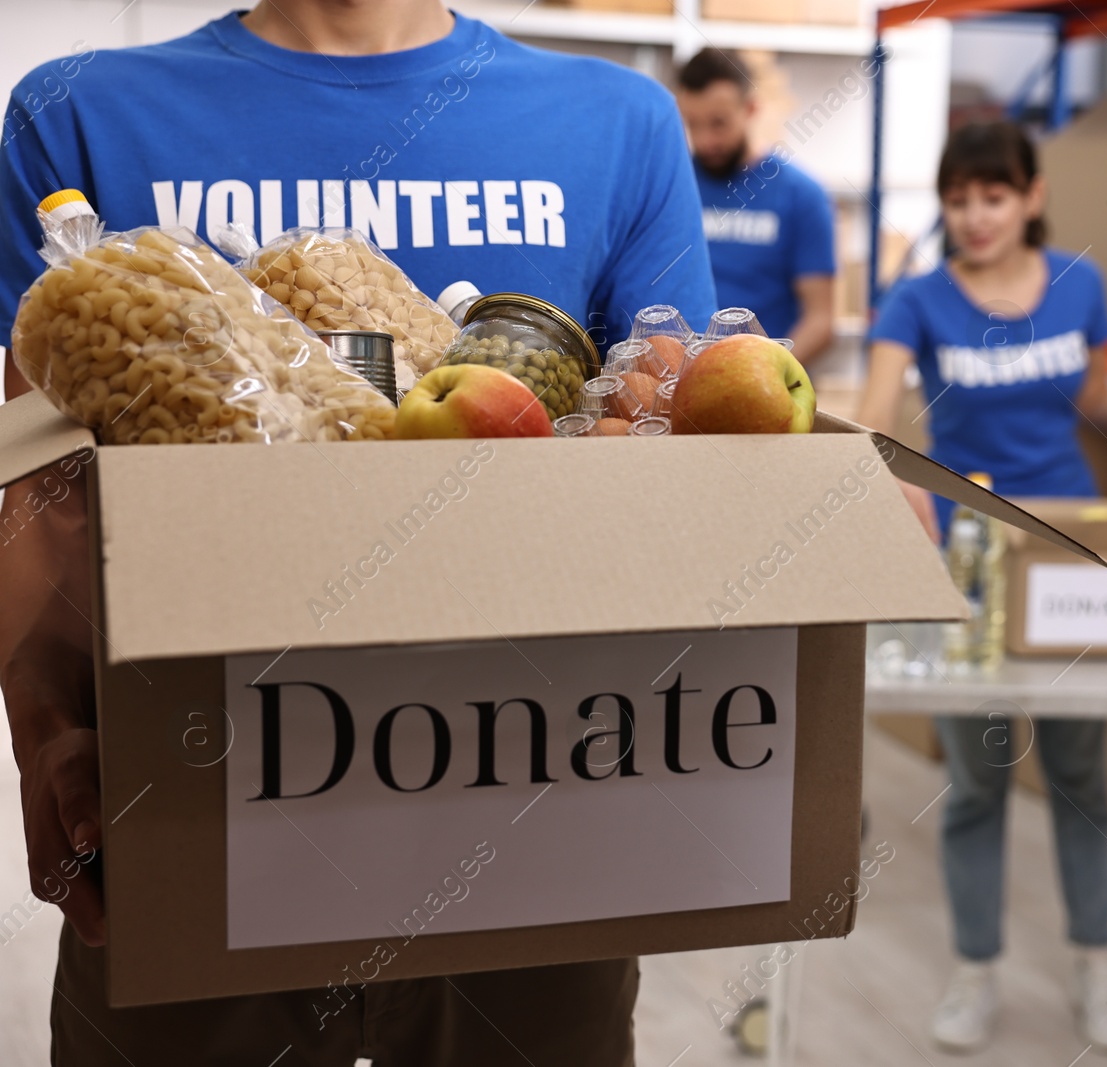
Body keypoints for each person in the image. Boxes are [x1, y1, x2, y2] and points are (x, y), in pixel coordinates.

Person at [0, 2, 714, 1063]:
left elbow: (671, 434)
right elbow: (31, 459)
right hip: (195, 792)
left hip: (527, 801)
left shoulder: (613, 120)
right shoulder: (81, 112)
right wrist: (50, 721)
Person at [855, 120, 1107, 1055]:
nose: (975, 217)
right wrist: (883, 477)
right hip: (970, 560)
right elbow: (876, 420)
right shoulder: (917, 300)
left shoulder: (1080, 285)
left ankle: (1096, 971)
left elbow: (1091, 403)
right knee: (979, 780)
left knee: (1082, 776)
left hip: (1068, 556)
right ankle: (975, 974)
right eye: (959, 200)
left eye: (994, 197)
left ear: (1032, 196)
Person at [675, 48, 835, 363]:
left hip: (764, 377)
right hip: (682, 376)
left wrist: (767, 372)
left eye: (718, 124)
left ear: (750, 109)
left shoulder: (802, 195)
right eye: (692, 125)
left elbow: (821, 320)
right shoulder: (673, 186)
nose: (705, 140)